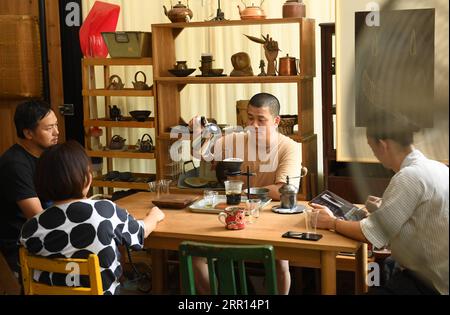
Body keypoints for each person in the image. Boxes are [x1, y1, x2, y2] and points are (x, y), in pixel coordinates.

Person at [311, 111, 449, 295]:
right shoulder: (436, 167)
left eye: (372, 147)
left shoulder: (409, 177)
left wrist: (331, 222)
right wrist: (385, 205)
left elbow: (372, 234)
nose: (374, 154)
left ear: (383, 145)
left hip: (430, 282)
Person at [190, 93, 302, 294]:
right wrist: (198, 132)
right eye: (250, 118)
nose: (254, 125)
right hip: (233, 214)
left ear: (276, 121)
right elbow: (201, 154)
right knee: (195, 254)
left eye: (261, 120)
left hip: (270, 217)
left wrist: (243, 192)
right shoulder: (235, 139)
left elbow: (282, 191)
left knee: (279, 260)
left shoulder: (289, 147)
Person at [19, 141, 165, 295]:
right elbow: (139, 233)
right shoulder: (105, 211)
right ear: (87, 178)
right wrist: (154, 216)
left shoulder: (30, 228)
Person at [0, 100, 59, 274]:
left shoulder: (47, 156)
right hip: (18, 242)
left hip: (41, 233)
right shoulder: (15, 164)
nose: (57, 132)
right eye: (49, 129)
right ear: (28, 133)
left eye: (56, 125)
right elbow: (36, 216)